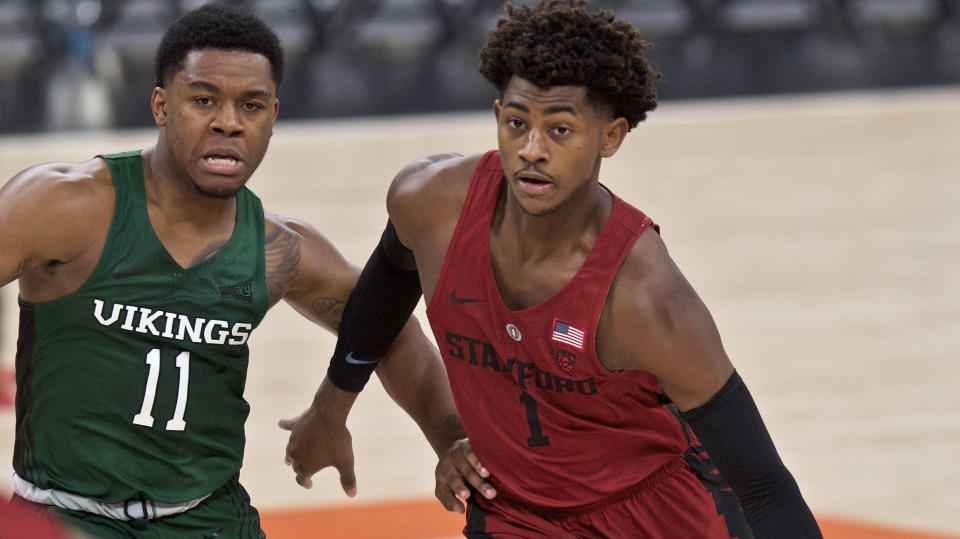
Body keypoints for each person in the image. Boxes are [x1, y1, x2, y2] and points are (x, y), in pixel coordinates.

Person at [284, 1, 824, 537]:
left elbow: (765, 490)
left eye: (560, 130)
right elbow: (388, 287)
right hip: (518, 512)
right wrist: (332, 408)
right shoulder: (429, 204)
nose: (532, 150)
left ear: (609, 137)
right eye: (518, 123)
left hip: (659, 512)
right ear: (498, 117)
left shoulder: (648, 302)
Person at [0, 4, 466, 538]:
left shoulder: (281, 248)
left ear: (273, 115)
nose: (228, 121)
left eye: (252, 105)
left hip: (210, 519)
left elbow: (390, 329)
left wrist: (445, 441)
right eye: (204, 100)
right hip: (64, 517)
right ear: (160, 105)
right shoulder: (63, 203)